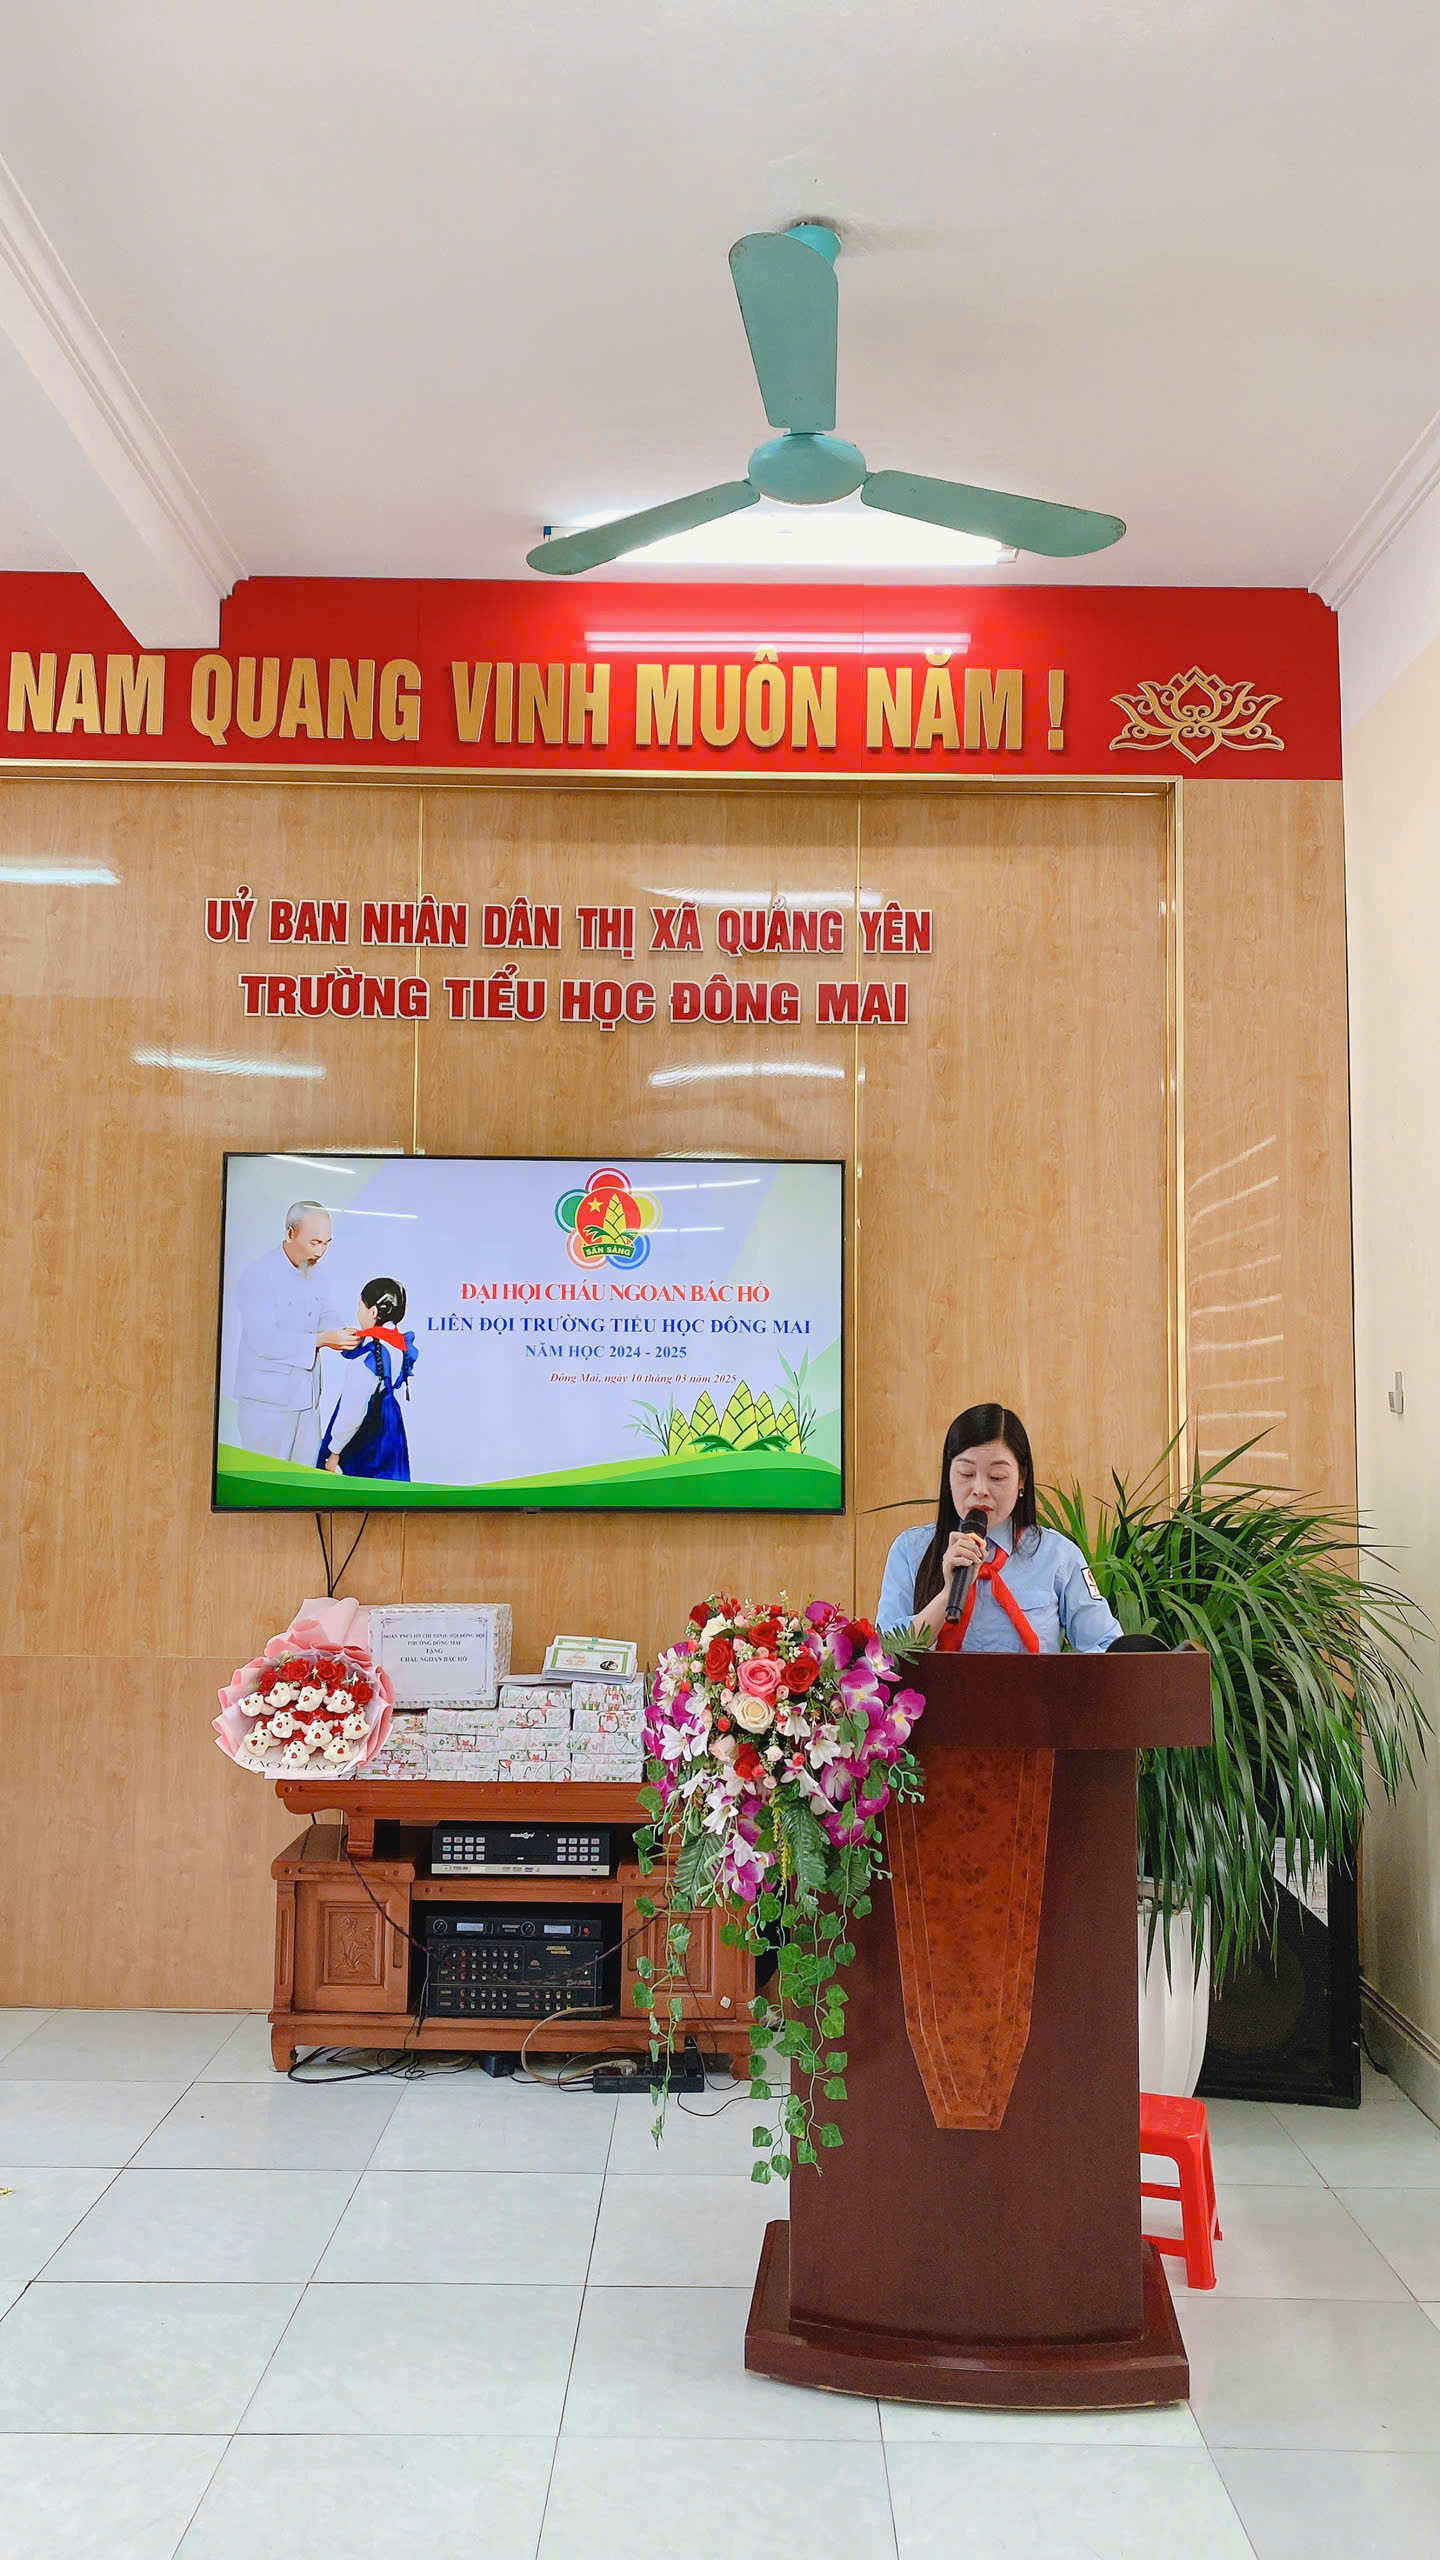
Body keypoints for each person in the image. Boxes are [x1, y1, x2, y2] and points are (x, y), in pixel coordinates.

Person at [877, 1402, 1125, 1653]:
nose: (980, 1489)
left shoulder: (1058, 1555)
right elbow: (883, 1655)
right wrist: (947, 1594)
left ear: (1021, 1479)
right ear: (948, 1476)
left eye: (997, 1477)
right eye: (966, 1473)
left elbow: (1106, 1646)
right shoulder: (910, 1550)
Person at [233, 1201, 358, 1465]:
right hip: (267, 1403)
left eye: (326, 1243)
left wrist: (342, 1332)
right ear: (290, 1233)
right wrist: (321, 1340)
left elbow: (324, 1312)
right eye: (315, 1243)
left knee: (304, 1476)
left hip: (307, 1397)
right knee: (267, 1478)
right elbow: (263, 1340)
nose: (321, 1252)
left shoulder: (315, 1272)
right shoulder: (259, 1275)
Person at [317, 1277, 417, 1481]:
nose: (358, 1313)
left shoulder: (368, 1355)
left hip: (364, 1439)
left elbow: (352, 1412)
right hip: (391, 1434)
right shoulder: (400, 1345)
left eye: (360, 1307)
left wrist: (334, 1451)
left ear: (373, 1312)